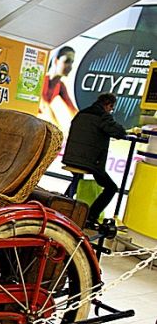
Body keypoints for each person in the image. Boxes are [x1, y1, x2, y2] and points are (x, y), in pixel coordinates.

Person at [62, 93, 128, 228]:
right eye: (111, 108)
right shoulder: (102, 116)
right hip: (89, 162)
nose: (110, 111)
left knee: (77, 179)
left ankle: (63, 204)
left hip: (70, 158)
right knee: (111, 188)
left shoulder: (81, 113)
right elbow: (119, 132)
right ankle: (91, 216)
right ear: (108, 105)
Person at [39, 46, 78, 132]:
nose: (70, 67)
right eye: (67, 61)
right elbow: (44, 106)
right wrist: (58, 130)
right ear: (56, 61)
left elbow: (72, 109)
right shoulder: (42, 80)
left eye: (71, 62)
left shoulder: (60, 86)